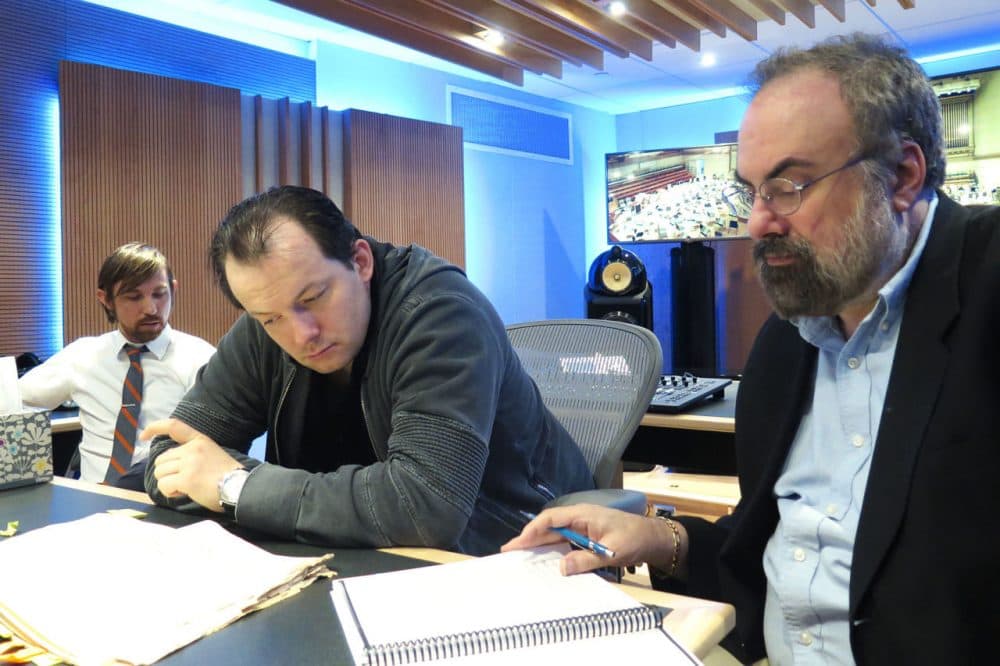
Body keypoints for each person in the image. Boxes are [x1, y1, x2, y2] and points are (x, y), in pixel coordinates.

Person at [505, 33, 1000, 664]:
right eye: (753, 191)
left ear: (903, 175)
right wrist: (657, 537)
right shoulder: (784, 347)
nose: (760, 222)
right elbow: (771, 552)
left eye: (790, 186)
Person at [141, 185, 594, 555]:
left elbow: (426, 507)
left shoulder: (441, 314)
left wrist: (234, 484)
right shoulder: (268, 321)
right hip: (352, 553)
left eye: (315, 298)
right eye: (270, 317)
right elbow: (171, 457)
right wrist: (222, 481)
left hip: (515, 551)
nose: (303, 334)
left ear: (360, 261)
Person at [19, 243, 216, 489]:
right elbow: (13, 399)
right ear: (106, 299)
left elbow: (215, 444)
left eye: (159, 294)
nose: (151, 309)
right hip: (91, 499)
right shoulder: (83, 355)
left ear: (173, 290)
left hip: (164, 499)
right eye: (133, 297)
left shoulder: (199, 358)